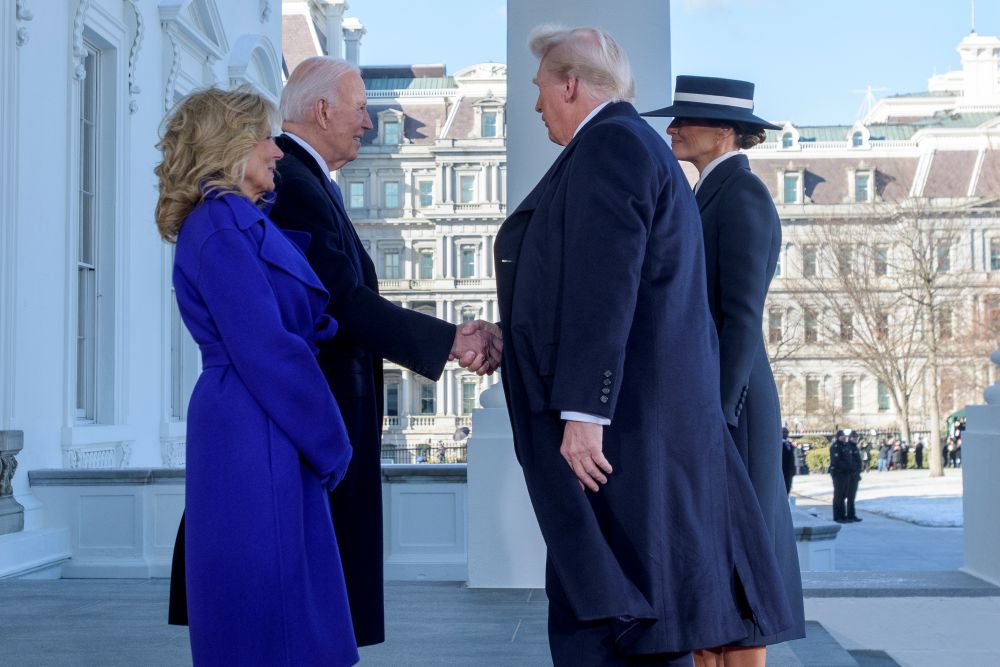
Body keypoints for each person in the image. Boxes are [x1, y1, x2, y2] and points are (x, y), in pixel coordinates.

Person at [495, 26, 794, 666]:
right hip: (634, 429)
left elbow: (607, 288)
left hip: (622, 432)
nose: (537, 104)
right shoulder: (626, 146)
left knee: (618, 614)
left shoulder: (611, 146)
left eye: (540, 88)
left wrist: (583, 411)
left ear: (570, 85)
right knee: (623, 608)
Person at [266, 56, 500, 647]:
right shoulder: (293, 184)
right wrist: (450, 339)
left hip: (333, 408)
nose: (368, 124)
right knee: (322, 575)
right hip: (321, 413)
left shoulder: (311, 181)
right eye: (360, 109)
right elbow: (341, 298)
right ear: (321, 111)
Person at [155, 87, 357, 664]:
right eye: (266, 138)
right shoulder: (221, 227)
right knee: (271, 616)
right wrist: (331, 442)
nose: (276, 151)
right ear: (232, 146)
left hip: (262, 421)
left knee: (281, 609)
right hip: (256, 422)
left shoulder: (238, 222)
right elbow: (267, 348)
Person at [643, 74, 806, 662]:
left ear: (724, 131)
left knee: (741, 558)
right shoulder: (707, 192)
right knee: (713, 555)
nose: (673, 128)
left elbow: (741, 318)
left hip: (732, 401)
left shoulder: (742, 195)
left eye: (685, 120)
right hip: (714, 395)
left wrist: (715, 411)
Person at [830, 430, 862, 523]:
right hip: (839, 473)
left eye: (844, 436)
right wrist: (849, 467)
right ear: (838, 437)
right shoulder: (835, 446)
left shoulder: (845, 446)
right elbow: (836, 461)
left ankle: (844, 516)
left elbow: (851, 460)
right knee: (839, 496)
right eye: (842, 436)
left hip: (846, 473)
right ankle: (838, 516)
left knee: (844, 495)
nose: (844, 438)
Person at [781, 428, 796, 495]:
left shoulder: (789, 444)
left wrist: (793, 469)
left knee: (788, 487)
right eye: (784, 432)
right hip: (783, 470)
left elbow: (792, 458)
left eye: (787, 432)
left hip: (789, 471)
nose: (786, 434)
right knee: (783, 489)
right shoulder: (779, 444)